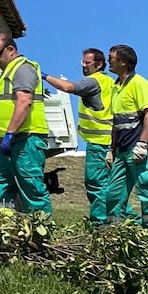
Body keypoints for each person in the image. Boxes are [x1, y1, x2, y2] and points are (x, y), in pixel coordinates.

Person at [41, 48, 116, 226]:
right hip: (109, 142)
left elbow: (68, 88)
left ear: (98, 64)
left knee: (96, 185)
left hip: (99, 143)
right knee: (110, 187)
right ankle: (122, 223)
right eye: (82, 62)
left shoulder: (93, 82)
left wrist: (45, 76)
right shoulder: (109, 81)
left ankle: (101, 226)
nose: (83, 65)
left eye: (87, 63)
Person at [0, 33, 52, 215]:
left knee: (31, 189)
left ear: (11, 50)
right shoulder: (7, 72)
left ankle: (42, 234)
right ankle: (4, 228)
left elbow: (24, 102)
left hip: (26, 141)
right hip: (10, 142)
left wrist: (9, 133)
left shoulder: (22, 69)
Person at [104, 44, 148, 231]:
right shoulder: (116, 87)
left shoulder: (140, 83)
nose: (108, 61)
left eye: (111, 57)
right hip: (122, 150)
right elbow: (117, 122)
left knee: (146, 190)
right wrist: (111, 150)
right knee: (113, 193)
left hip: (138, 148)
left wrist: (142, 144)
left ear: (124, 62)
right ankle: (115, 233)